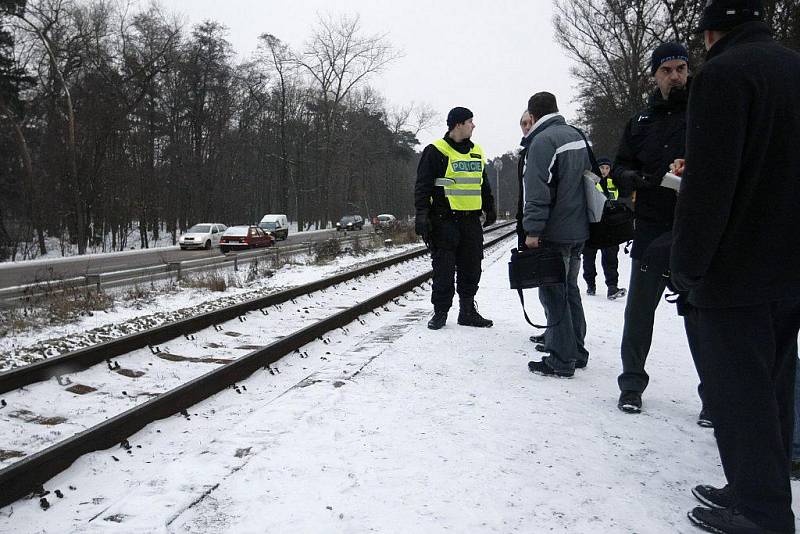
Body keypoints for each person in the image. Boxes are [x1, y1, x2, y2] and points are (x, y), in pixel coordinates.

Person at [669, 1, 800, 532]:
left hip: (736, 267)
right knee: (773, 384)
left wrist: (687, 267)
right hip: (790, 265)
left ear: (710, 33)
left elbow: (710, 184)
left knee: (738, 393)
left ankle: (763, 514)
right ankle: (752, 488)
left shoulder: (723, 75)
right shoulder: (794, 67)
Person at [613, 42, 691, 415]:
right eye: (667, 70)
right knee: (640, 311)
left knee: (701, 314)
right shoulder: (640, 122)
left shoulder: (706, 113)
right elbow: (619, 168)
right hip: (650, 227)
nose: (675, 76)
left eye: (681, 68)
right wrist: (638, 179)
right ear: (654, 76)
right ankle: (631, 384)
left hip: (695, 228)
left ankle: (713, 396)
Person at [521, 92, 590, 378]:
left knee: (553, 293)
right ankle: (577, 350)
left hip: (555, 231)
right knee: (571, 289)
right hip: (578, 229)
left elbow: (537, 192)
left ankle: (561, 360)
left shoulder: (542, 141)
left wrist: (532, 231)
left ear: (533, 115)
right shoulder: (576, 135)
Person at [414, 106, 496, 330]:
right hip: (444, 220)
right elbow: (422, 186)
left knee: (471, 267)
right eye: (470, 121)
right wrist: (422, 215)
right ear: (458, 124)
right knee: (444, 270)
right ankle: (440, 312)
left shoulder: (477, 151)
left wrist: (490, 207)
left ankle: (467, 311)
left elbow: (483, 183)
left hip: (471, 221)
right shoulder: (436, 151)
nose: (473, 125)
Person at [581, 157, 626, 300]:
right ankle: (590, 284)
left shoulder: (614, 183)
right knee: (589, 257)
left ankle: (612, 287)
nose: (605, 171)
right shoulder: (590, 182)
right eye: (602, 168)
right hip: (593, 224)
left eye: (607, 168)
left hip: (609, 225)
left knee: (611, 258)